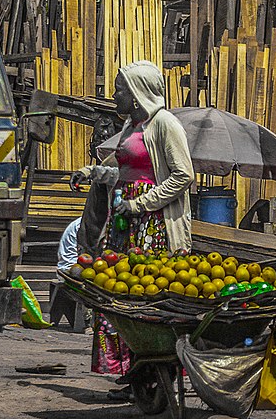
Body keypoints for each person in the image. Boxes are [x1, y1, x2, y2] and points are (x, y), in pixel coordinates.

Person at [70, 60, 195, 398]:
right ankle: (132, 371)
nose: (114, 95)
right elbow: (124, 173)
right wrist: (92, 173)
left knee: (147, 299)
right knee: (120, 297)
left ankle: (155, 370)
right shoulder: (131, 126)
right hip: (125, 223)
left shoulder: (165, 124)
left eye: (120, 89)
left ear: (138, 93)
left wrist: (140, 203)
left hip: (154, 227)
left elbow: (183, 176)